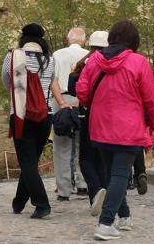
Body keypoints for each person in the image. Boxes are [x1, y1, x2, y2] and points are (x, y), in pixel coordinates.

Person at [76, 20, 154, 241]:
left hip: (100, 125)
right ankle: (105, 223)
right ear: (134, 40)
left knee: (112, 174)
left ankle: (124, 216)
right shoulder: (139, 62)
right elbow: (150, 98)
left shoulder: (94, 60)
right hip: (128, 128)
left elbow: (82, 93)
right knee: (120, 175)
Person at [2, 24, 71, 219]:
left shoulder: (12, 56)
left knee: (27, 162)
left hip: (21, 114)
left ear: (23, 38)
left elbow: (6, 81)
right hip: (45, 115)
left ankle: (42, 204)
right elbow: (51, 82)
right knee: (31, 161)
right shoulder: (50, 60)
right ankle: (19, 201)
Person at [69, 30, 108, 211]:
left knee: (86, 158)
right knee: (102, 158)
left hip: (88, 114)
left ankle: (96, 192)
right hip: (109, 115)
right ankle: (104, 193)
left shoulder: (84, 63)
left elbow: (72, 89)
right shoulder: (113, 63)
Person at [51, 27, 90, 200]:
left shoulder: (57, 54)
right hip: (83, 100)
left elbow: (53, 80)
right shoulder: (89, 55)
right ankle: (84, 183)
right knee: (84, 145)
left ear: (68, 39)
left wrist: (61, 102)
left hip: (62, 98)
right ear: (84, 41)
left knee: (61, 146)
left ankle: (64, 189)